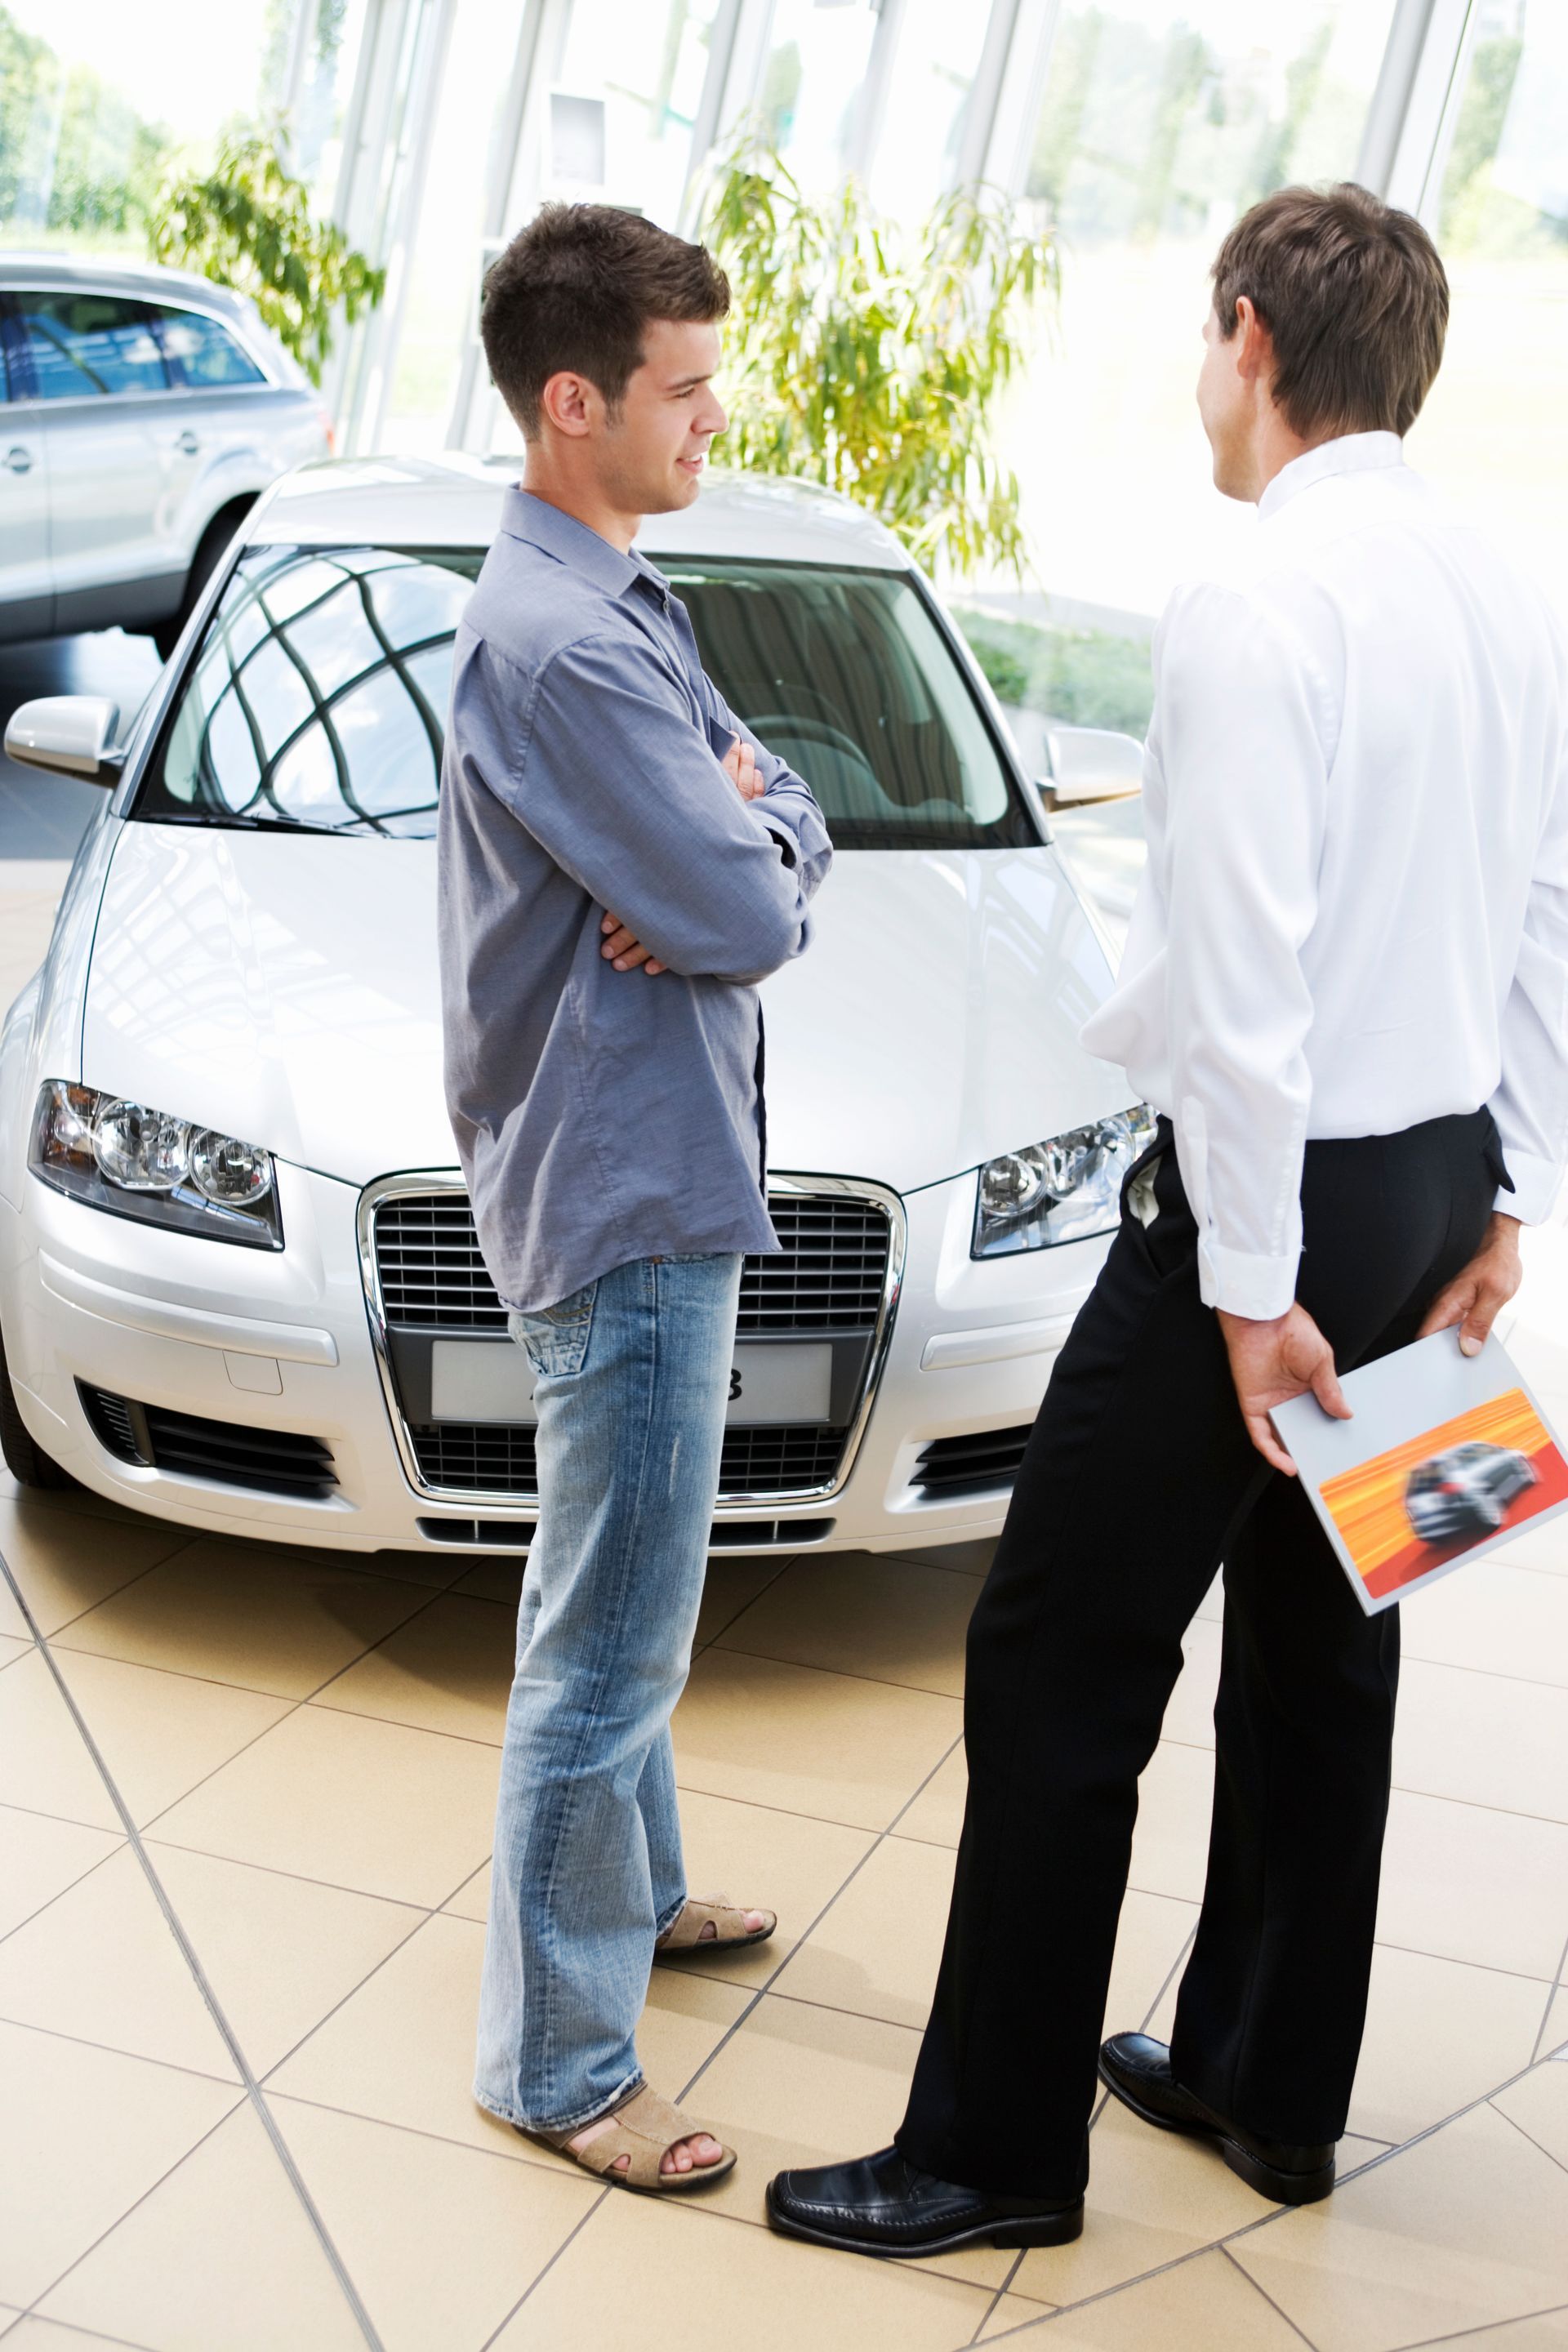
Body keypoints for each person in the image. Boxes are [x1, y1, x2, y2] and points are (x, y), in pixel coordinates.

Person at [767, 181, 1568, 2259]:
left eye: (1210, 344)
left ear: (1251, 337)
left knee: (1060, 1650)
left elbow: (1242, 987)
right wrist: (1507, 1190)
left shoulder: (1254, 596)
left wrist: (1244, 1290)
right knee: (1329, 1637)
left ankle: (992, 2152)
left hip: (1273, 1196)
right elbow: (1549, 910)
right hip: (1429, 1179)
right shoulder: (1509, 588)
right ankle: (1266, 2084)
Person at [439, 204, 831, 2195]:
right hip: (626, 1183)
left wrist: (741, 849)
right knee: (606, 1642)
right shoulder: (570, 644)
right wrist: (732, 864)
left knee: (633, 1591)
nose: (713, 418)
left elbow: (782, 830)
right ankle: (561, 2064)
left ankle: (645, 1895)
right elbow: (747, 906)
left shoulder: (615, 593)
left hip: (641, 1157)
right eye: (683, 389)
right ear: (573, 401)